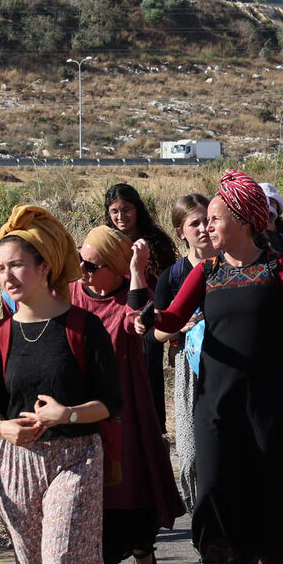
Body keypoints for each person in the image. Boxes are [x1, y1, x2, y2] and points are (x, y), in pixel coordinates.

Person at [151, 170, 283, 564]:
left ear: (243, 221)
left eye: (214, 218)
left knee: (267, 484)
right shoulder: (206, 272)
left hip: (269, 399)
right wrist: (143, 311)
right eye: (204, 220)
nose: (206, 227)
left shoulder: (279, 268)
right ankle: (222, 557)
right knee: (211, 482)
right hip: (215, 399)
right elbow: (170, 319)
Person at [0, 205, 121, 564]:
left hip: (76, 458)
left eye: (17, 264)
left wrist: (69, 413)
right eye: (1, 268)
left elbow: (113, 402)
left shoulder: (82, 329)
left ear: (44, 268)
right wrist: (3, 428)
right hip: (16, 463)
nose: (8, 276)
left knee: (60, 558)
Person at [73, 226, 183, 564]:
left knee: (129, 485)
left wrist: (137, 271)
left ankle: (142, 549)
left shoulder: (128, 297)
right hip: (78, 407)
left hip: (125, 409)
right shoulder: (69, 294)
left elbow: (139, 321)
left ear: (115, 269)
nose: (82, 269)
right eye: (79, 259)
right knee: (85, 494)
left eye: (91, 264)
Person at [149, 194, 219, 514]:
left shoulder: (234, 265)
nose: (204, 228)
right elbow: (156, 333)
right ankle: (201, 517)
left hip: (228, 365)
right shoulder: (173, 277)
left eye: (208, 220)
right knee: (190, 455)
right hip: (188, 370)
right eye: (195, 223)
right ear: (181, 231)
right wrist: (180, 324)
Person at [104, 184, 179, 433]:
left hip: (149, 322)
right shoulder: (106, 242)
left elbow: (170, 285)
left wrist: (171, 328)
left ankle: (154, 433)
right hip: (116, 321)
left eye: (126, 210)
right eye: (114, 211)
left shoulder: (156, 243)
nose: (120, 217)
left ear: (137, 210)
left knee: (148, 378)